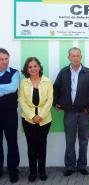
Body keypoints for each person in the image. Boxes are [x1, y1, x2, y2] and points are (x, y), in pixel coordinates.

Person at [53, 47, 89, 176]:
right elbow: (55, 88)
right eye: (73, 56)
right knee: (70, 141)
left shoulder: (88, 73)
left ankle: (82, 165)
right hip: (69, 112)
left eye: (78, 56)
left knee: (84, 140)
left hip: (85, 113)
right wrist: (55, 102)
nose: (75, 58)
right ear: (68, 57)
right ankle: (70, 166)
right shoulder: (63, 72)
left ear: (81, 57)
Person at [19, 57, 53, 182]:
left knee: (42, 145)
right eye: (30, 67)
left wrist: (41, 116)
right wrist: (32, 116)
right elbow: (22, 101)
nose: (33, 68)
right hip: (28, 119)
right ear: (27, 69)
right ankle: (33, 172)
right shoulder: (23, 83)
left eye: (35, 66)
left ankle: (42, 171)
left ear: (39, 67)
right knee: (31, 146)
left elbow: (49, 100)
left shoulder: (47, 81)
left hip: (45, 120)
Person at [0, 48, 20, 183]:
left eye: (6, 58)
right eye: (1, 59)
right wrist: (3, 88)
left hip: (10, 113)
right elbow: (7, 88)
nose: (4, 61)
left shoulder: (15, 73)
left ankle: (13, 171)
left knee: (12, 142)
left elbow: (13, 88)